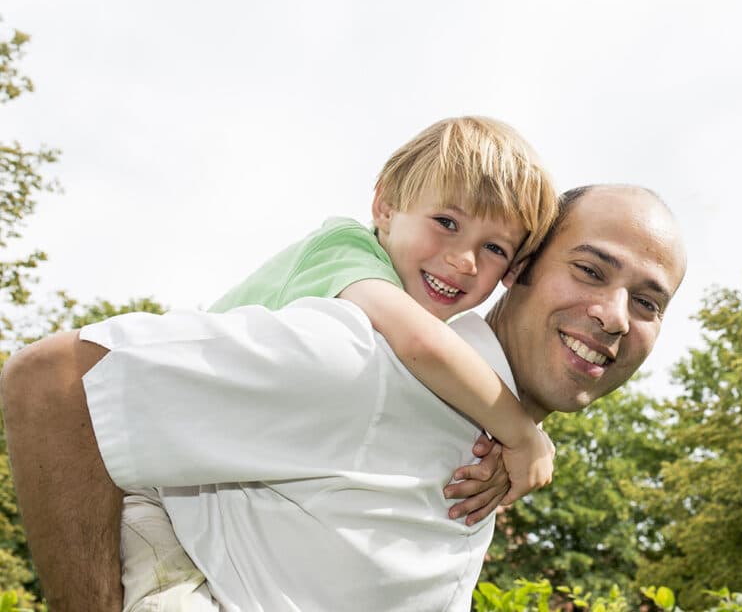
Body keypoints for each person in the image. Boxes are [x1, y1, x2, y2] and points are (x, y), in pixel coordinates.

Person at [1, 184, 687, 611]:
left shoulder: (493, 448)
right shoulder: (374, 365)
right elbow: (57, 380)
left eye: (647, 301)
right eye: (590, 270)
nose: (614, 315)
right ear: (520, 271)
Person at [118, 114, 561, 610]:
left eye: (494, 248)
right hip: (154, 484)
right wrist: (523, 434)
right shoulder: (347, 251)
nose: (464, 260)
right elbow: (422, 345)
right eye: (447, 223)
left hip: (211, 499)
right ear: (386, 207)